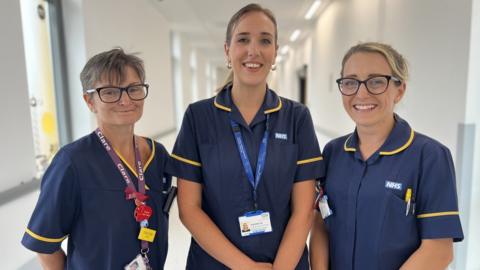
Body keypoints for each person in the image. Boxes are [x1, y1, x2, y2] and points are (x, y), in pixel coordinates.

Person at [166, 3, 324, 269]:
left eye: (265, 40)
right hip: (214, 263)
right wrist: (246, 267)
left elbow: (304, 209)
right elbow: (189, 210)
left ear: (275, 52)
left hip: (284, 261)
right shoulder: (198, 117)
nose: (254, 50)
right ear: (228, 50)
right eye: (243, 39)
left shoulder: (297, 117)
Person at [309, 42, 464, 270]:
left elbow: (439, 250)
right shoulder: (333, 153)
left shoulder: (430, 157)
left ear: (399, 90)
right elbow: (321, 223)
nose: (361, 93)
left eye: (376, 82)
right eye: (350, 82)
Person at [21, 48, 172, 269]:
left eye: (133, 89)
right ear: (89, 101)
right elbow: (44, 246)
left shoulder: (157, 155)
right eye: (110, 92)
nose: (125, 100)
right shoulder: (72, 162)